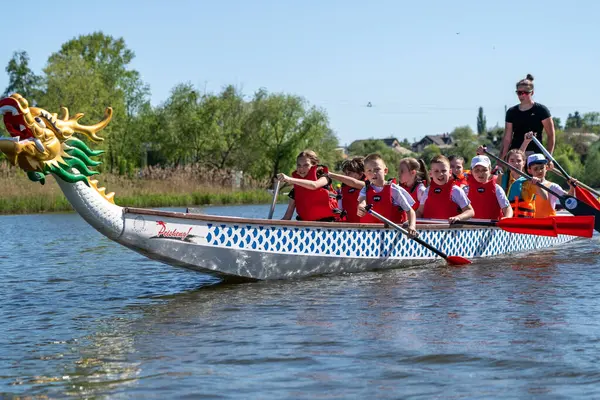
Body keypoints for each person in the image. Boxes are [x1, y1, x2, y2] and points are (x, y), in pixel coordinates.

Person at [356, 153, 418, 237]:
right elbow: (362, 202)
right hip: (369, 235)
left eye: (377, 169)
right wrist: (361, 208)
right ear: (365, 174)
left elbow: (410, 211)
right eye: (369, 171)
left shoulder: (394, 190)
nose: (373, 173)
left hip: (391, 235)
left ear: (385, 171)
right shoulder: (365, 189)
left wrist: (412, 226)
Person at [500, 74, 555, 159]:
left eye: (525, 93)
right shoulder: (511, 112)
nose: (522, 95)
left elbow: (551, 135)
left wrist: (549, 157)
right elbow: (507, 138)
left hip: (535, 155)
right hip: (516, 156)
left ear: (532, 93)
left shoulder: (541, 110)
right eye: (519, 93)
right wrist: (502, 159)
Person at [277, 150, 340, 222]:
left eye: (306, 165)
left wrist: (289, 179)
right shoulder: (296, 190)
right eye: (299, 165)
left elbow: (314, 185)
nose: (301, 168)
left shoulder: (324, 178)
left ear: (314, 165)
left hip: (327, 225)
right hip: (305, 227)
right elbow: (287, 217)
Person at [417, 155, 475, 223]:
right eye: (436, 171)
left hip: (449, 232)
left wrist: (458, 217)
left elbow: (470, 211)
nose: (440, 174)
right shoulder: (427, 191)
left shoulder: (456, 191)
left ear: (450, 172)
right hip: (429, 231)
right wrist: (410, 222)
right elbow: (420, 211)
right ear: (430, 174)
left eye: (443, 170)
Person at [525, 153, 576, 218]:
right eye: (535, 169)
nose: (539, 171)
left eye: (542, 167)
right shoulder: (525, 186)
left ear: (546, 168)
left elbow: (570, 200)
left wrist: (572, 187)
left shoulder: (553, 187)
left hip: (549, 224)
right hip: (531, 224)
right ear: (529, 171)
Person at [464, 155, 513, 219]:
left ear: (490, 170)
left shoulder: (497, 189)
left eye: (484, 170)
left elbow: (507, 208)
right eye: (477, 170)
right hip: (471, 228)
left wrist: (507, 218)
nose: (481, 173)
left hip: (492, 227)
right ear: (471, 171)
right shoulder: (465, 190)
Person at [329, 157, 367, 223]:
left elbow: (353, 182)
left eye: (349, 173)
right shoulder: (344, 187)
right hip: (348, 226)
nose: (346, 175)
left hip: (364, 227)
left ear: (360, 174)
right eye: (345, 173)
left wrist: (330, 175)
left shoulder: (366, 185)